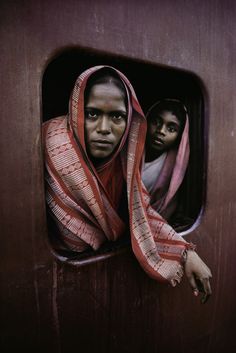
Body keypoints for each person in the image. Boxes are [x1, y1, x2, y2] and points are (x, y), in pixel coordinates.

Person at [43, 66, 212, 303]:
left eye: (116, 116)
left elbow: (140, 209)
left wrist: (186, 253)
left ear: (129, 120)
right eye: (92, 114)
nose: (104, 129)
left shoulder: (123, 159)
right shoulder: (50, 146)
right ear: (75, 110)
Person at [142, 99, 191, 226]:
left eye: (171, 128)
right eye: (156, 122)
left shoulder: (175, 167)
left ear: (180, 135)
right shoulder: (130, 155)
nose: (161, 131)